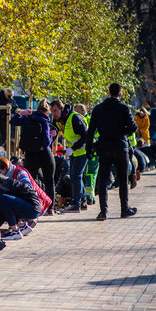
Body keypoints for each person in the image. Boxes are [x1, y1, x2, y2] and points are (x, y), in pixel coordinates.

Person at [86, 83, 138, 220]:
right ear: (120, 94)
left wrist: (88, 149)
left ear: (108, 93)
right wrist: (122, 133)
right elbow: (133, 127)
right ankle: (124, 209)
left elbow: (90, 131)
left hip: (104, 148)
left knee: (103, 180)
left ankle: (104, 212)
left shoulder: (98, 109)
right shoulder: (124, 108)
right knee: (123, 180)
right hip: (121, 147)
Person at [10, 98, 56, 214]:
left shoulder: (27, 118)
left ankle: (31, 206)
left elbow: (13, 122)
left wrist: (21, 113)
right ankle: (50, 208)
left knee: (30, 182)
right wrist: (51, 135)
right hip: (45, 155)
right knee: (49, 181)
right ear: (47, 111)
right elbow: (46, 142)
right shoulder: (45, 121)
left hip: (30, 155)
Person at [0, 157, 51, 235]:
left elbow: (27, 189)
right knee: (5, 201)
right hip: (30, 203)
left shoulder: (19, 172)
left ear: (5, 169)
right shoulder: (4, 180)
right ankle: (21, 225)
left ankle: (15, 229)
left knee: (5, 200)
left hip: (40, 203)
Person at [50, 99, 88, 212]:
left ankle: (76, 204)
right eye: (52, 111)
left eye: (55, 110)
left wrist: (72, 148)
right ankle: (83, 201)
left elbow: (86, 136)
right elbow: (53, 134)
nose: (53, 113)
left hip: (83, 150)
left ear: (62, 109)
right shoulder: (59, 120)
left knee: (76, 175)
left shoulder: (74, 117)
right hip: (74, 151)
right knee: (75, 175)